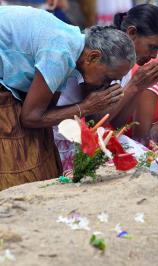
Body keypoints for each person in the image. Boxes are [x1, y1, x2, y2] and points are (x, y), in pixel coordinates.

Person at [0, 6, 135, 190]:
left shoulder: (72, 45)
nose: (106, 86)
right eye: (107, 79)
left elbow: (46, 112)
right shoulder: (61, 53)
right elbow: (30, 117)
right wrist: (86, 107)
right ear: (93, 57)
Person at [55, 3, 158, 171]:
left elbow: (115, 123)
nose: (154, 55)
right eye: (152, 47)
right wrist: (133, 86)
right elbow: (93, 119)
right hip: (61, 139)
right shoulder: (103, 57)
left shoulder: (127, 66)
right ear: (131, 33)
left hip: (85, 138)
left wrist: (138, 87)